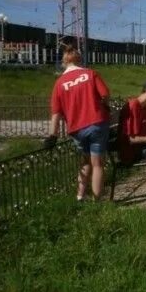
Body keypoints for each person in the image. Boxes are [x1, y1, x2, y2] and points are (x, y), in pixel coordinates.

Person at [46, 45, 111, 201]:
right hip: (96, 123)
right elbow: (106, 94)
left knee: (85, 159)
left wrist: (52, 136)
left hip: (76, 129)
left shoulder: (59, 83)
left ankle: (79, 196)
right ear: (80, 60)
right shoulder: (90, 74)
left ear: (64, 62)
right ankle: (97, 200)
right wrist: (104, 105)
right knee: (97, 163)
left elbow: (56, 113)